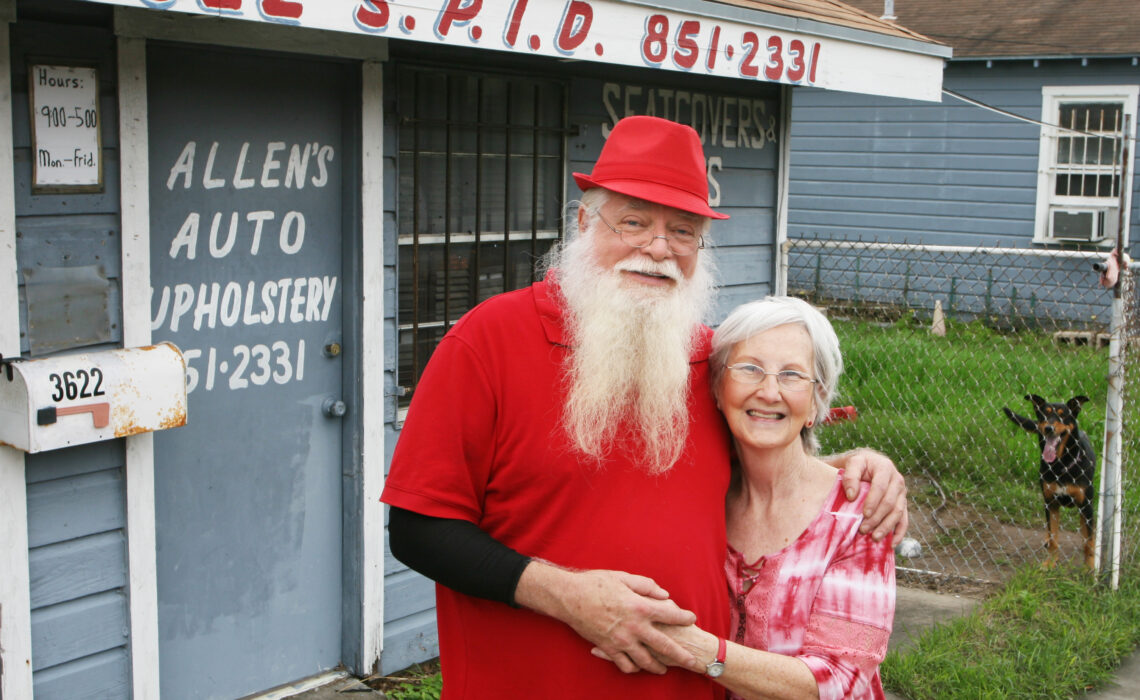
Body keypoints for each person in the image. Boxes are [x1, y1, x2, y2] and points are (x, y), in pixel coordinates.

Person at [381, 115, 907, 699]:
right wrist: (569, 596)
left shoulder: (711, 362)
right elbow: (417, 529)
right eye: (634, 222)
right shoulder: (489, 341)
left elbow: (769, 447)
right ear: (583, 223)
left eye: (683, 231)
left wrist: (858, 462)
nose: (658, 248)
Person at [621, 296, 895, 699]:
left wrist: (695, 649)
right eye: (750, 369)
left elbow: (841, 680)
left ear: (816, 402)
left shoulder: (855, 513)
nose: (769, 392)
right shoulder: (700, 497)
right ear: (718, 388)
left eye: (792, 375)